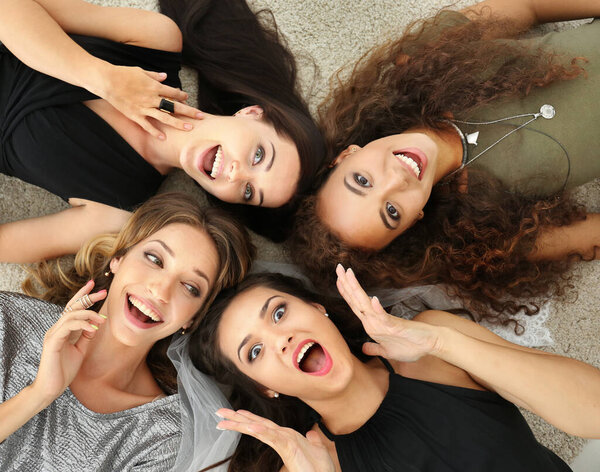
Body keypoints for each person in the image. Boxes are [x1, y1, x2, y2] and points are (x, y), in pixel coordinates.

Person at [291, 0, 600, 320]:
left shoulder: (420, 61)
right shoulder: (498, 232)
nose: (397, 179)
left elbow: (527, 7)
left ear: (347, 154)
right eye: (392, 212)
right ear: (414, 220)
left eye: (362, 181)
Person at [0, 0, 325, 263]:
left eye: (250, 192)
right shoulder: (155, 42)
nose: (238, 176)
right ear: (252, 113)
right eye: (258, 155)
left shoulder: (115, 207)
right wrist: (105, 80)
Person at [192, 267, 600, 472]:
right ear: (265, 389)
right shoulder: (309, 463)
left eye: (279, 312)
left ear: (318, 309)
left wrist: (447, 344)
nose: (280, 338)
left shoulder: (432, 344)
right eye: (256, 351)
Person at [0, 192, 255, 471]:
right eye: (155, 259)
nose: (160, 290)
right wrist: (38, 394)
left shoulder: (163, 436)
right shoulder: (8, 320)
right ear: (118, 259)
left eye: (190, 287)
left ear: (192, 319)